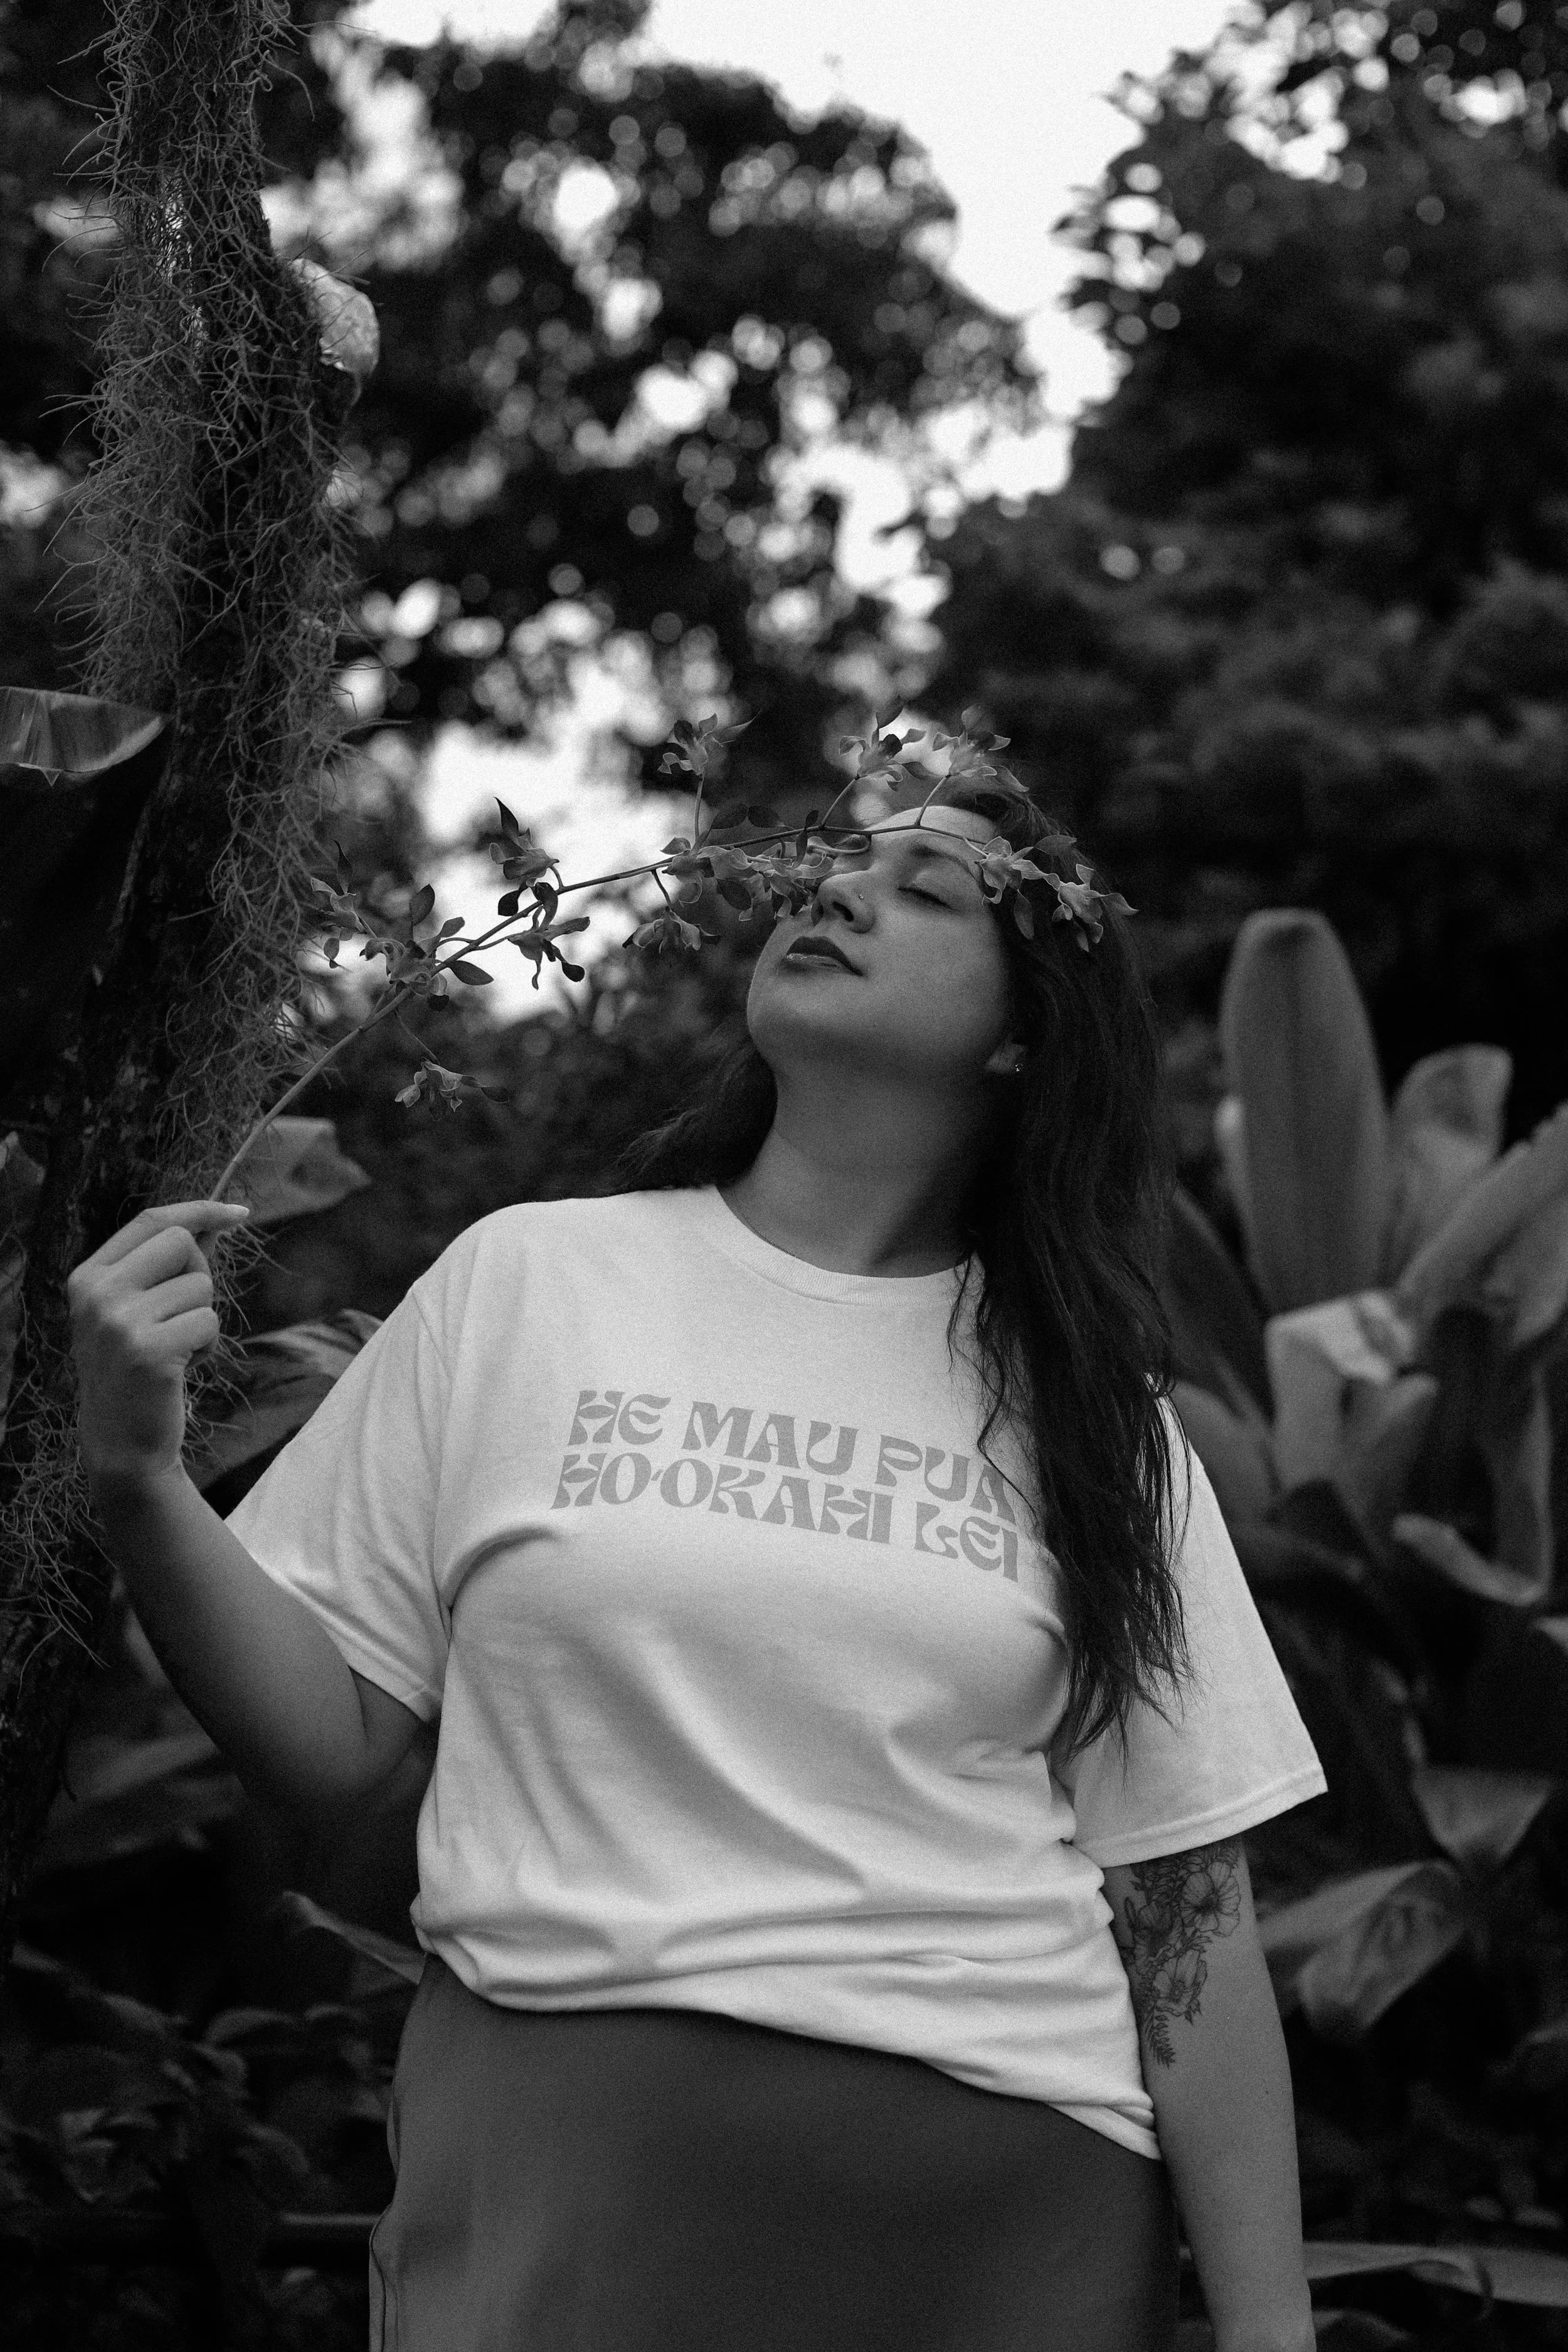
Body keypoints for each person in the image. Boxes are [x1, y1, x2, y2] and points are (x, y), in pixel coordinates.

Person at [70, 771, 1327, 2352]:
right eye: (833, 865)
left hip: (1008, 2218)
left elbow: (1184, 1907)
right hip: (566, 2174)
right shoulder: (531, 1283)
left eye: (926, 891)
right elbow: (328, 1746)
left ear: (1022, 1035)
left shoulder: (1094, 1421)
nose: (837, 891)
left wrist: (1271, 2336)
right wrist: (137, 1477)